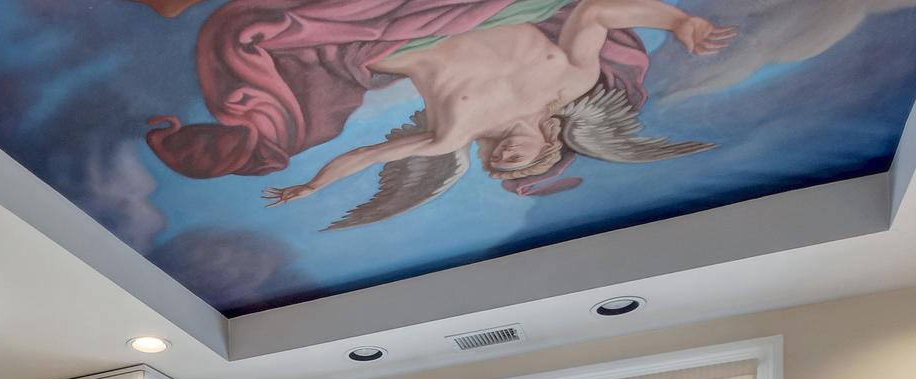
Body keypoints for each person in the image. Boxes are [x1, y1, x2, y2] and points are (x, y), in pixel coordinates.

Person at [141, 0, 733, 218]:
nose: (505, 159)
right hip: (472, 8)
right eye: (520, 162)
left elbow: (369, 154)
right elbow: (596, 13)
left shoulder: (454, 134)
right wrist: (678, 20)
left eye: (500, 167)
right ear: (551, 141)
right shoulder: (573, 79)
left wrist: (312, 188)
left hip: (394, 37)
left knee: (266, 34)